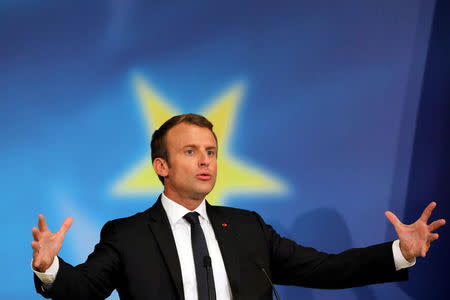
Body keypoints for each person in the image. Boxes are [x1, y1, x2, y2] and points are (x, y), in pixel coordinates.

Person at [31, 113, 446, 300]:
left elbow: (325, 269)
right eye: (191, 151)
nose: (205, 160)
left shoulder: (246, 227)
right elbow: (84, 290)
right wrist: (50, 268)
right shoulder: (127, 234)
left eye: (211, 151)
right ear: (162, 166)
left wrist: (400, 252)